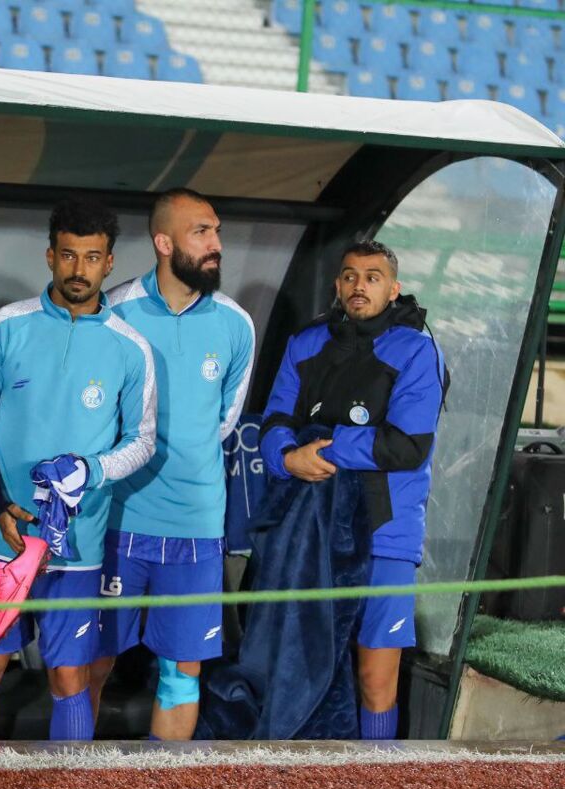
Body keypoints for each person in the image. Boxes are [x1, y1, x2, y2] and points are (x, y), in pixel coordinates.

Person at [0, 197, 156, 742]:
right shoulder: (4, 326)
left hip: (77, 546)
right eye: (68, 255)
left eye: (92, 257)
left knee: (69, 678)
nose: (79, 269)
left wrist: (92, 469)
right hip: (1, 539)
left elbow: (142, 442)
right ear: (50, 256)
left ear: (110, 262)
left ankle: (68, 782)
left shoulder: (131, 348)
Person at [259, 240, 446, 740]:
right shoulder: (306, 343)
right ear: (337, 285)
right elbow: (274, 420)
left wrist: (323, 446)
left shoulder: (417, 350)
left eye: (372, 276)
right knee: (300, 674)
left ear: (394, 288)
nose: (359, 285)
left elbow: (407, 446)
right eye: (349, 276)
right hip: (309, 537)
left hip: (386, 534)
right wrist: (286, 458)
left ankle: (377, 776)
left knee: (375, 679)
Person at [92, 187, 255, 741]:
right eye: (201, 232)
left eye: (217, 231)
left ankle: (160, 781)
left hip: (196, 527)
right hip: (118, 522)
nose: (216, 244)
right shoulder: (114, 311)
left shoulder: (236, 323)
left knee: (182, 676)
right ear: (164, 243)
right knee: (89, 665)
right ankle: (71, 778)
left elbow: (223, 421)